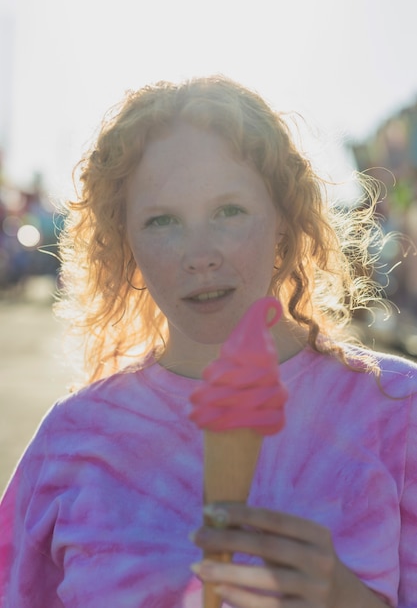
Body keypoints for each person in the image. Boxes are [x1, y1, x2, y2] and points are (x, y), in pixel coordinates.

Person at [0, 75, 416, 608]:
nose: (199, 254)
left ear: (284, 222)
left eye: (228, 211)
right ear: (125, 243)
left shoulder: (398, 411)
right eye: (163, 220)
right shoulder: (69, 438)